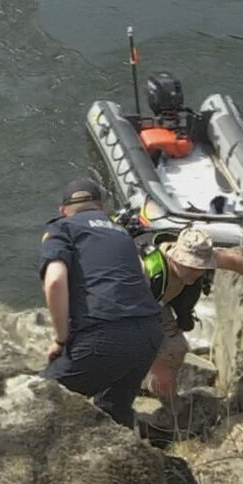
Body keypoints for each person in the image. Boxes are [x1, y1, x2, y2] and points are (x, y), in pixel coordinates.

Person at [40, 178, 162, 428]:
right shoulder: (122, 233)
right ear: (102, 207)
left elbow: (54, 281)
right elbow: (141, 274)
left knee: (42, 400)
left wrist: (61, 339)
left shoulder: (62, 228)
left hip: (106, 334)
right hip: (149, 332)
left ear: (63, 211)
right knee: (114, 411)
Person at [142, 228, 243, 411]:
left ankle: (165, 396)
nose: (195, 273)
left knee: (176, 348)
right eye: (189, 267)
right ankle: (166, 405)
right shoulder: (146, 271)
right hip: (133, 310)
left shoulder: (203, 257)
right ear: (175, 257)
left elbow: (234, 261)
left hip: (159, 305)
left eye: (200, 268)